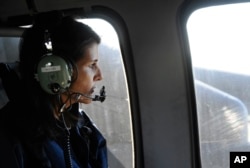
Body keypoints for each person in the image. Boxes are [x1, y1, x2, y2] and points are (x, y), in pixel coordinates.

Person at [0, 13, 108, 168]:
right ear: (53, 72)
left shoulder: (78, 124)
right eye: (92, 65)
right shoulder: (9, 139)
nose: (100, 76)